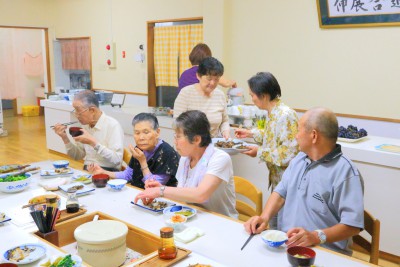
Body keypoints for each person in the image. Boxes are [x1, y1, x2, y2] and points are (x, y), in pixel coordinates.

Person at [244, 107, 364, 256]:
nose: (295, 136)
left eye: (298, 130)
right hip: (287, 246)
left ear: (313, 135)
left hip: (324, 252)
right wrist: (264, 217)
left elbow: (353, 225)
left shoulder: (345, 172)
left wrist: (315, 236)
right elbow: (280, 193)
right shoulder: (299, 159)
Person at [134, 110, 238, 219]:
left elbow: (200, 195)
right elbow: (184, 195)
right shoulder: (185, 159)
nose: (175, 142)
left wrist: (160, 191)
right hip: (193, 216)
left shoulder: (220, 158)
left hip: (221, 220)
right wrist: (161, 188)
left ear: (197, 139)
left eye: (178, 137)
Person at [234, 72, 299, 229]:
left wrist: (259, 151)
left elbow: (288, 154)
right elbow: (273, 136)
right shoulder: (274, 112)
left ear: (263, 95)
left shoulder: (285, 115)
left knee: (283, 229)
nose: (252, 100)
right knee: (274, 225)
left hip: (288, 186)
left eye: (252, 95)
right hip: (278, 183)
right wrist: (251, 133)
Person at [88, 113, 180, 189]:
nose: (141, 137)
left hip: (159, 201)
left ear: (157, 132)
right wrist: (103, 172)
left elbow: (153, 186)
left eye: (146, 132)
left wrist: (142, 162)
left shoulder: (167, 153)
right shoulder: (140, 148)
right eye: (137, 133)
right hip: (137, 192)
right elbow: (128, 175)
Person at [53, 90, 124, 171]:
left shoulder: (113, 125)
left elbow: (117, 160)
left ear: (92, 110)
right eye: (75, 110)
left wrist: (93, 143)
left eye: (78, 110)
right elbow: (77, 156)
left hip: (108, 172)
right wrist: (65, 138)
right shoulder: (85, 125)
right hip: (88, 170)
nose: (76, 115)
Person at [174, 57, 230, 138]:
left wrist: (225, 131)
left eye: (216, 79)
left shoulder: (220, 95)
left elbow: (224, 121)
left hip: (213, 146)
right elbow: (177, 124)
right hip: (190, 145)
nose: (212, 83)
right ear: (198, 76)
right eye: (209, 79)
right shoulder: (186, 93)